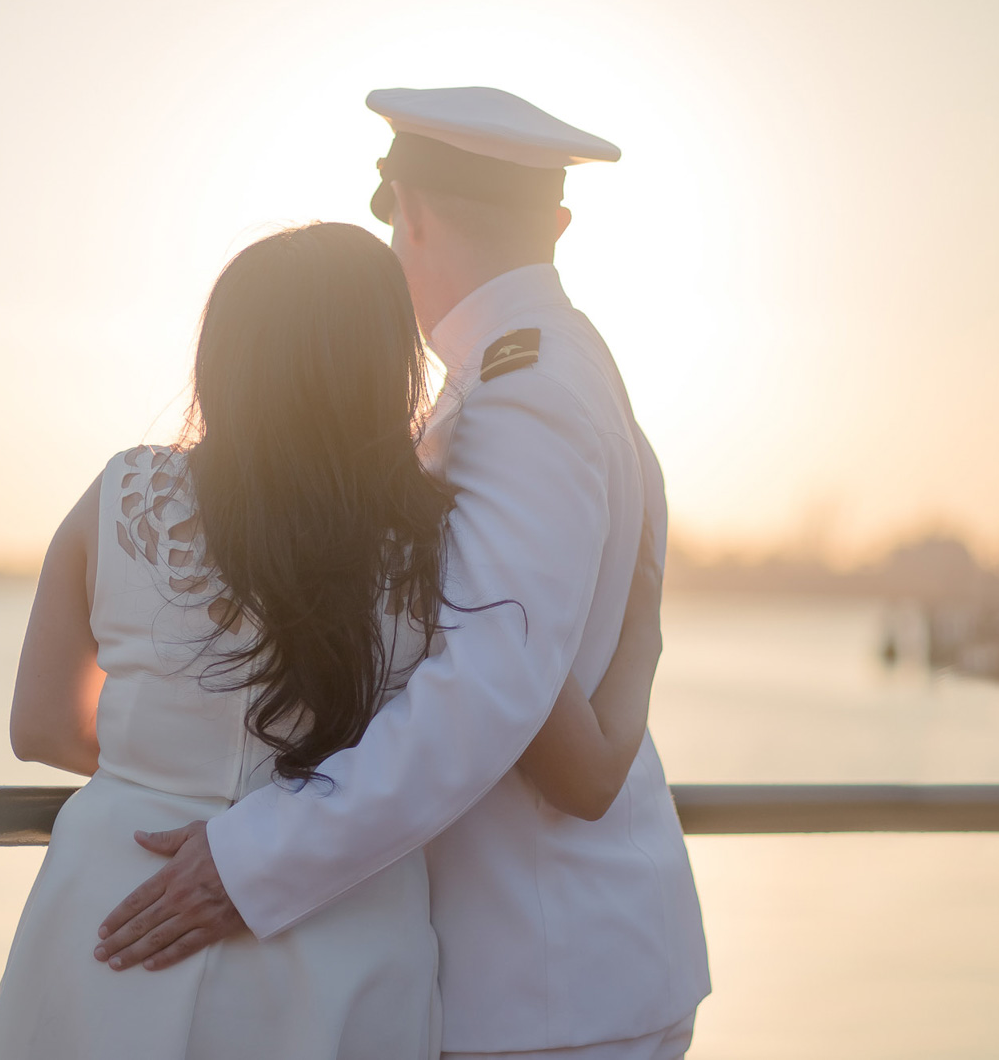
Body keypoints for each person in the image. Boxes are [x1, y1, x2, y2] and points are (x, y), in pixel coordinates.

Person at [94, 88, 712, 1060]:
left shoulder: (515, 402)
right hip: (574, 970)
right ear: (553, 221)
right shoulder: (568, 364)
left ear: (408, 212)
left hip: (538, 986)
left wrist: (255, 861)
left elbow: (483, 687)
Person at [0, 220, 666, 1059]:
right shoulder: (439, 542)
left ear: (224, 356)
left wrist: (165, 773)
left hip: (116, 913)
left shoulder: (126, 493)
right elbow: (566, 753)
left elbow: (41, 726)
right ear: (386, 366)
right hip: (336, 943)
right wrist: (645, 628)